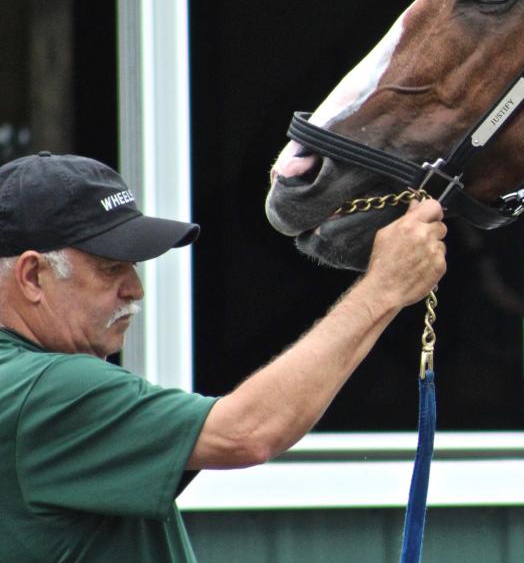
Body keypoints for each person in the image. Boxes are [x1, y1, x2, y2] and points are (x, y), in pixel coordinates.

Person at [0, 151, 446, 562]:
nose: (135, 289)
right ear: (33, 276)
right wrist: (383, 289)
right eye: (110, 267)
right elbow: (248, 431)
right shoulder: (45, 390)